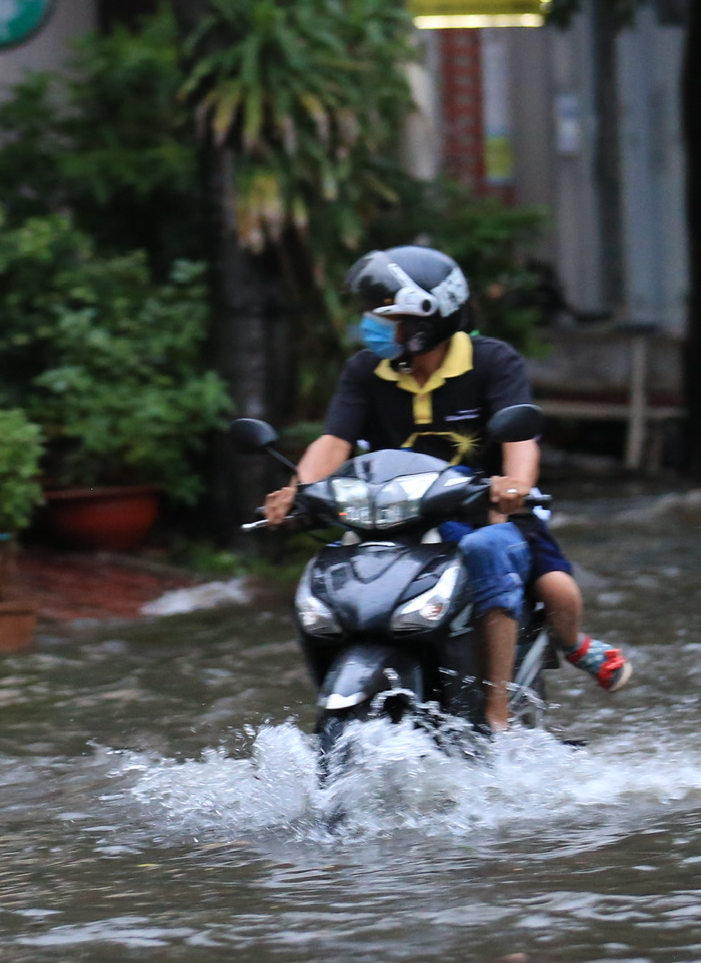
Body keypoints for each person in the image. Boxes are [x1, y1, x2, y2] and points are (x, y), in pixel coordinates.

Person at [261, 245, 631, 728]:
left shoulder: (492, 362)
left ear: (425, 319)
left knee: (543, 582)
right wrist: (298, 490)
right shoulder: (364, 373)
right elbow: (334, 441)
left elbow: (520, 439)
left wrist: (514, 485)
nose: (370, 323)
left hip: (488, 511)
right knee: (333, 569)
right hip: (392, 520)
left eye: (384, 314)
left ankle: (509, 703)